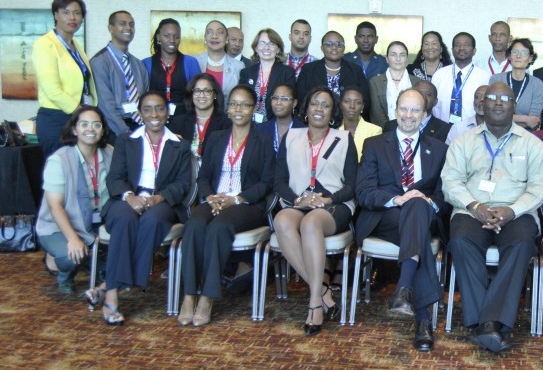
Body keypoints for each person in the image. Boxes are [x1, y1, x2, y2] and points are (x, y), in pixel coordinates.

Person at [442, 81, 543, 353]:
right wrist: (474, 205)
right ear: (482, 104)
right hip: (472, 210)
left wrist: (512, 210)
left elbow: (539, 187)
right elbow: (450, 181)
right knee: (462, 240)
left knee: (522, 243)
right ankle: (491, 324)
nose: (499, 102)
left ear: (514, 105)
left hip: (517, 212)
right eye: (492, 97)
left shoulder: (532, 144)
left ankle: (485, 322)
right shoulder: (463, 141)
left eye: (505, 98)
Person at [356, 88, 448, 352]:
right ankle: (422, 322)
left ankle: (405, 289)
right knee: (416, 225)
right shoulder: (374, 145)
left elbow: (444, 195)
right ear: (395, 111)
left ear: (425, 114)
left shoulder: (440, 150)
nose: (409, 115)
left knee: (419, 206)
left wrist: (427, 201)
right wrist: (397, 200)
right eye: (404, 109)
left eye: (415, 110)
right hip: (384, 217)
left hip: (423, 215)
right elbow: (363, 192)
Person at [178, 84, 274, 327]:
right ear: (228, 108)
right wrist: (210, 196)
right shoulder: (217, 137)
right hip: (216, 198)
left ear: (254, 109)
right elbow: (204, 177)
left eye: (244, 104)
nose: (238, 109)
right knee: (195, 223)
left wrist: (237, 198)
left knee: (219, 227)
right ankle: (189, 294)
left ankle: (207, 298)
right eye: (233, 104)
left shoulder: (263, 140)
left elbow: (267, 181)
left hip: (246, 204)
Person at [98, 91, 192, 325]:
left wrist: (157, 199)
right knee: (123, 219)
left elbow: (182, 184)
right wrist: (129, 197)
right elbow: (115, 178)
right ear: (140, 114)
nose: (154, 114)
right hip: (129, 197)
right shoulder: (125, 140)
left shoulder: (180, 145)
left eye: (159, 108)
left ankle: (110, 287)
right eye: (147, 109)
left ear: (167, 112)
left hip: (162, 202)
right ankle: (112, 294)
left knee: (152, 220)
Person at [272, 86, 358, 336]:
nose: (319, 108)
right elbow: (278, 181)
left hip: (334, 205)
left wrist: (328, 198)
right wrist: (297, 198)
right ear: (306, 109)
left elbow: (352, 184)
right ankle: (321, 291)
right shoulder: (291, 136)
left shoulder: (343, 139)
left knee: (310, 223)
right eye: (314, 103)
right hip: (299, 201)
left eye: (326, 105)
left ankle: (315, 304)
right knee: (282, 220)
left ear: (332, 113)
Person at [36, 106, 112, 294]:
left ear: (103, 130)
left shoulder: (110, 152)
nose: (90, 129)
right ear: (74, 129)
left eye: (96, 124)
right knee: (70, 256)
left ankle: (94, 261)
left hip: (96, 222)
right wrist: (73, 239)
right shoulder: (59, 160)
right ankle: (65, 275)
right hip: (60, 226)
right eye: (84, 124)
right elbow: (55, 206)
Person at [33, 0, 96, 159]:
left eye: (77, 13)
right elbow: (53, 91)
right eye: (66, 12)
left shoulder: (76, 47)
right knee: (60, 174)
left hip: (78, 117)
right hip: (56, 119)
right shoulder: (45, 44)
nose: (72, 17)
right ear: (55, 15)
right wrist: (82, 112)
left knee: (79, 171)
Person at [90, 10, 148, 143]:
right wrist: (125, 133)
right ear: (110, 28)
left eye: (131, 24)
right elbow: (106, 105)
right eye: (122, 24)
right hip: (113, 131)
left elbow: (145, 99)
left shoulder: (138, 65)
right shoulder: (99, 62)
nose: (128, 28)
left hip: (139, 128)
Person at [167, 73, 231, 166]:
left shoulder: (226, 124)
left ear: (215, 95)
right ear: (191, 94)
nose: (201, 95)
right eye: (197, 91)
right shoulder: (178, 122)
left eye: (207, 91)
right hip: (185, 175)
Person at [142, 18, 202, 116]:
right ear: (158, 37)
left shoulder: (190, 62)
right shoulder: (146, 64)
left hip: (184, 117)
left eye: (176, 36)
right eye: (167, 36)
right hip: (155, 117)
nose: (172, 40)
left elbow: (198, 94)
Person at [237, 28, 297, 124]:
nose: (266, 47)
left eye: (271, 44)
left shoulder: (288, 73)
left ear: (278, 49)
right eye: (262, 43)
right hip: (248, 125)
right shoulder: (246, 72)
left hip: (275, 125)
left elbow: (288, 104)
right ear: (256, 48)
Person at [295, 31, 370, 106]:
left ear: (344, 48)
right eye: (328, 44)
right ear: (322, 48)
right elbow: (301, 100)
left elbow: (365, 101)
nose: (334, 47)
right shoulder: (308, 70)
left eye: (339, 44)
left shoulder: (356, 71)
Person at [431, 32, 491, 124]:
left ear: (474, 50)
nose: (461, 48)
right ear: (452, 50)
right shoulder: (439, 75)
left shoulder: (484, 77)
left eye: (466, 45)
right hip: (441, 130)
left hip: (472, 130)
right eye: (457, 45)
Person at [489, 38, 543, 130]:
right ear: (509, 56)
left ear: (530, 58)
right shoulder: (496, 79)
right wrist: (526, 119)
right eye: (515, 52)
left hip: (526, 138)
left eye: (524, 53)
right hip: (498, 133)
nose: (518, 56)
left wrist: (503, 119)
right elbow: (492, 114)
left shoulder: (537, 85)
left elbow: (534, 122)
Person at [369, 41, 422, 127]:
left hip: (411, 130)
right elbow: (376, 113)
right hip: (384, 132)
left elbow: (419, 110)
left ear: (407, 58)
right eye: (393, 54)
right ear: (386, 58)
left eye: (402, 55)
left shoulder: (417, 82)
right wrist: (389, 131)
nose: (398, 59)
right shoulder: (375, 82)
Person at [384, 80, 452, 143]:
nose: (423, 97)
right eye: (419, 93)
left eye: (428, 94)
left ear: (435, 101)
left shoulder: (445, 129)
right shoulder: (390, 126)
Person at [255, 83, 305, 156]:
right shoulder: (260, 130)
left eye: (284, 99)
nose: (278, 103)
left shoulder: (303, 132)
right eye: (275, 98)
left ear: (294, 103)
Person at [195, 20, 242, 96]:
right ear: (205, 37)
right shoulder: (194, 61)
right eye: (210, 32)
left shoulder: (238, 66)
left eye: (219, 32)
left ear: (226, 38)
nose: (214, 36)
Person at [338, 85, 381, 161]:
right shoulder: (333, 129)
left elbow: (372, 161)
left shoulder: (375, 131)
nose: (352, 106)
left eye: (357, 102)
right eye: (347, 101)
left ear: (362, 107)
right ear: (341, 104)